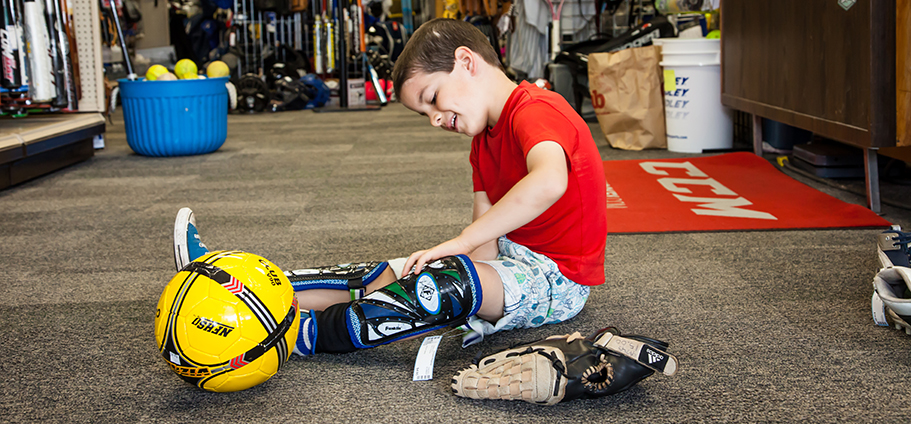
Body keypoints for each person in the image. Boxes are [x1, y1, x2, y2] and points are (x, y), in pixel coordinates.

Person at [172, 18, 607, 355]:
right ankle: (231, 283)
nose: (436, 120)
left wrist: (457, 259)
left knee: (447, 283)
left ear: (467, 62)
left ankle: (302, 337)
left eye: (433, 99)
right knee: (387, 273)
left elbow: (549, 180)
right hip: (508, 263)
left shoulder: (537, 109)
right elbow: (486, 242)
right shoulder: (481, 145)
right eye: (425, 114)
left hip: (557, 281)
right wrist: (439, 267)